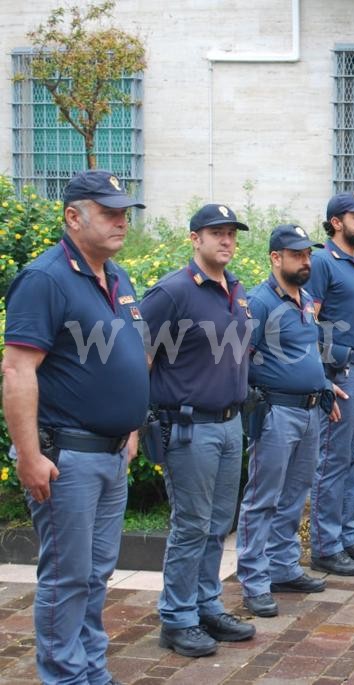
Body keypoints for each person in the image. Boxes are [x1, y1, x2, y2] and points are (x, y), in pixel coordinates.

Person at [2, 169, 148, 685]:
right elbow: (18, 369)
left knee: (95, 573)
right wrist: (29, 455)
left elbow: (130, 355)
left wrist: (130, 430)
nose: (120, 221)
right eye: (108, 212)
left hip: (111, 454)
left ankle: (90, 670)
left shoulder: (118, 276)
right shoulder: (45, 279)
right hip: (68, 458)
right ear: (73, 216)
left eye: (124, 213)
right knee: (67, 578)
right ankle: (65, 676)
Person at [140, 203, 256, 657]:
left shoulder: (236, 290)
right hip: (189, 428)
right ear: (195, 239)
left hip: (230, 425)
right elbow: (138, 359)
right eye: (216, 233)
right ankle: (177, 617)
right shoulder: (171, 293)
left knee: (216, 525)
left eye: (231, 233)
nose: (226, 240)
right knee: (190, 526)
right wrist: (138, 422)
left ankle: (206, 604)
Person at [237, 224, 345, 619]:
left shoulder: (305, 299)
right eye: (297, 254)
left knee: (295, 494)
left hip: (310, 409)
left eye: (308, 254)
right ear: (275, 258)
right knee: (262, 499)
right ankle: (254, 580)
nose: (305, 261)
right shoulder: (261, 302)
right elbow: (238, 358)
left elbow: (307, 352)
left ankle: (283, 567)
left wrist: (324, 387)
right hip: (276, 413)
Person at [307, 193, 354, 578]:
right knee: (333, 462)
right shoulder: (322, 261)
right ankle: (325, 546)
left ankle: (347, 537)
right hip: (342, 375)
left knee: (352, 460)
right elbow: (309, 322)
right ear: (336, 222)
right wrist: (323, 376)